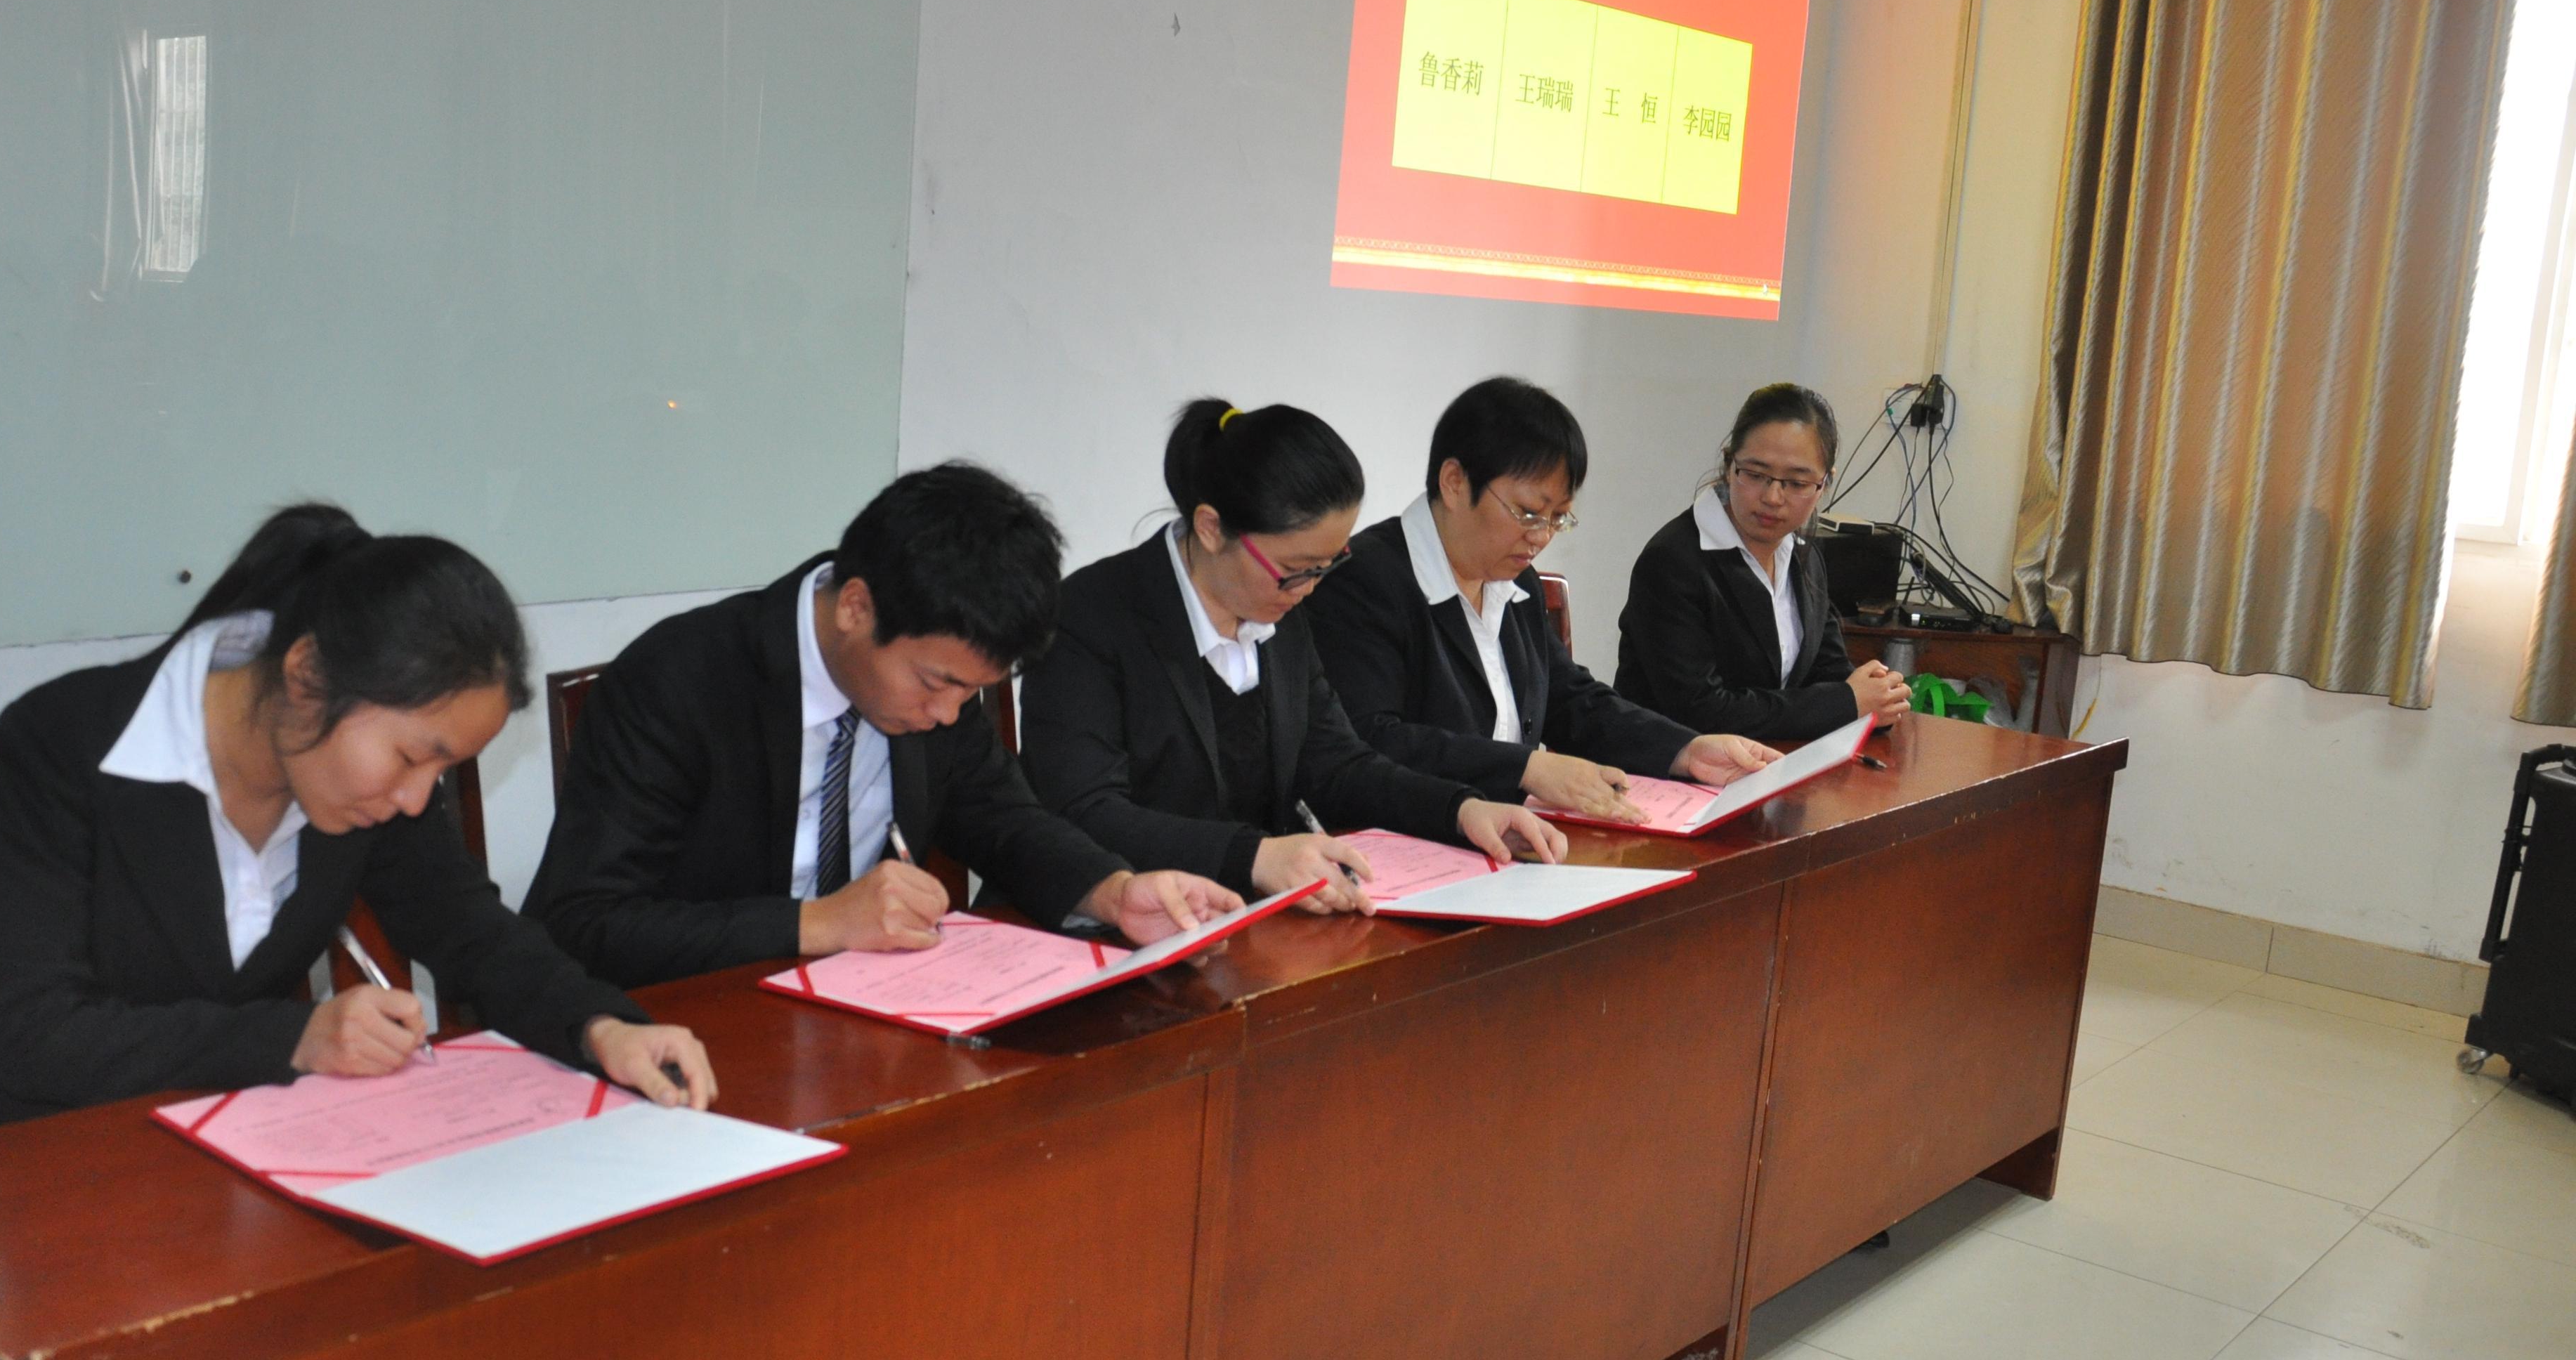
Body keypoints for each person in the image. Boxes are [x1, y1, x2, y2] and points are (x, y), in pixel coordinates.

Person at [0, 505, 713, 1149]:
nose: (417, 799)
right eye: (411, 757)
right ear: (308, 674)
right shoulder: (67, 741)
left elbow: (468, 928)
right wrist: (295, 1037)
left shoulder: (358, 780)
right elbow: (35, 1032)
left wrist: (602, 1027)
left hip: (200, 1156)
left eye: (441, 771)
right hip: (2, 1164)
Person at [524, 463, 1242, 989]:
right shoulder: (679, 679)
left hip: (867, 1011)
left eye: (973, 692)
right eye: (936, 684)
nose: (948, 714)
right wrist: (819, 923)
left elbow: (1005, 821)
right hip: (699, 1024)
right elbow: (581, 921)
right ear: (856, 608)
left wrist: (1113, 892)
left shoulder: (938, 680)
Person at [1020, 400, 1568, 914]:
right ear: (1210, 529)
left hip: (1247, 918)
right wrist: (1255, 857)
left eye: (1326, 567)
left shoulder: (1279, 612)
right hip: (1114, 925)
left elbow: (1339, 764)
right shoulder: (1091, 618)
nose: (1309, 590)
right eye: (1295, 569)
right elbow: (1084, 811)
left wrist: (1461, 811)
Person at [1307, 377, 1779, 823]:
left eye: (1558, 519)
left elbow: (1570, 699)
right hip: (1402, 843)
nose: (1542, 536)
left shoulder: (1518, 582)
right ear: (1454, 482)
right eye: (1529, 513)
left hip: (1508, 837)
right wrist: (1526, 768)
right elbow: (1368, 740)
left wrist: (1685, 750)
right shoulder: (1364, 579)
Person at [1616, 384, 1913, 743]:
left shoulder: (1803, 556)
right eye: (1756, 475)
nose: (1773, 497)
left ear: (1824, 484)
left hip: (1772, 759)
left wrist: (1877, 699)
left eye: (1797, 483)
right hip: (1667, 766)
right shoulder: (1672, 562)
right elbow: (1700, 711)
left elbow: (1828, 670)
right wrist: (1847, 703)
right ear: (1730, 464)